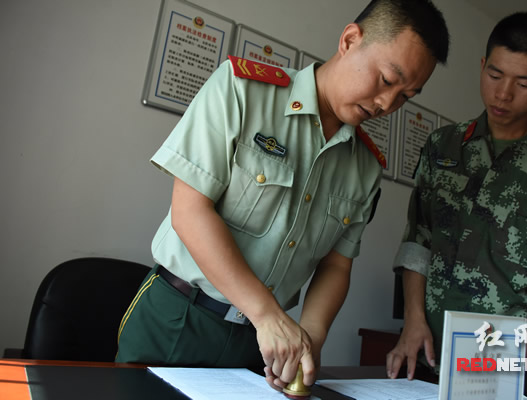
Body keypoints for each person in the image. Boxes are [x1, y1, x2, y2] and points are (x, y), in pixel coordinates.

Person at [116, 0, 450, 393]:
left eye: (405, 96)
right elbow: (190, 212)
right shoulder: (242, 90)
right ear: (349, 40)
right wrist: (267, 315)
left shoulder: (365, 166)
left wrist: (310, 337)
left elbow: (336, 265)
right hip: (178, 317)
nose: (387, 104)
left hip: (261, 346)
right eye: (386, 79)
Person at [386, 11, 527, 396]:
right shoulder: (444, 146)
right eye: (495, 75)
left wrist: (500, 364)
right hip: (427, 358)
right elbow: (419, 239)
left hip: (513, 374)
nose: (503, 94)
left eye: (524, 83)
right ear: (483, 64)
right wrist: (413, 320)